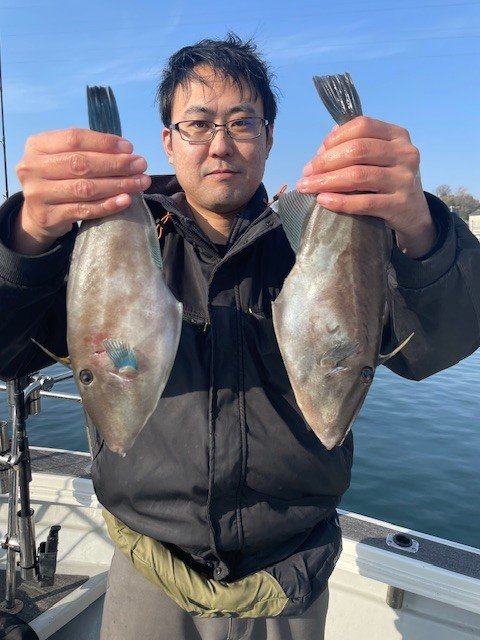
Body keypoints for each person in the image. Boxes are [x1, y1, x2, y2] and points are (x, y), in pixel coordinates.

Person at [0, 34, 479, 640]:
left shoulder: (313, 242)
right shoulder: (98, 241)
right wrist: (23, 238)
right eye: (198, 124)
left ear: (270, 136)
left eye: (242, 122)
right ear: (168, 141)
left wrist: (423, 230)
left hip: (292, 577)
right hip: (148, 564)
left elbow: (437, 345)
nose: (220, 144)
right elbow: (8, 350)